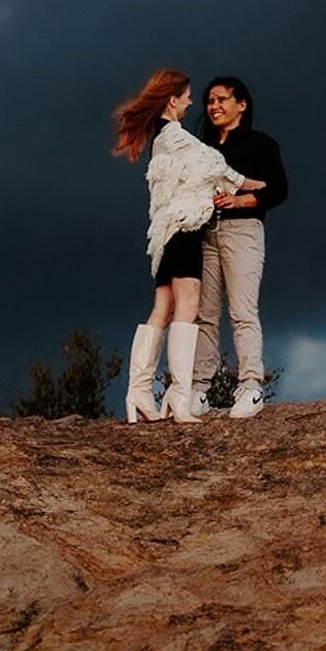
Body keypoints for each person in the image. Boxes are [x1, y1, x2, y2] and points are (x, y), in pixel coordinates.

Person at [111, 68, 264, 424]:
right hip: (185, 232)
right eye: (188, 96)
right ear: (172, 99)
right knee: (189, 305)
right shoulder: (177, 137)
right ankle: (179, 397)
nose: (193, 102)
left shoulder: (161, 137)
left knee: (162, 308)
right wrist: (257, 186)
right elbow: (218, 168)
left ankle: (140, 393)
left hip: (165, 234)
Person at [194, 75, 288, 419]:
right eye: (209, 101)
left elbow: (279, 189)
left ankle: (250, 386)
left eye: (221, 99)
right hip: (205, 233)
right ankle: (198, 389)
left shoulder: (261, 144)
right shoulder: (202, 147)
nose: (214, 106)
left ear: (241, 105)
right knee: (204, 315)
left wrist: (243, 200)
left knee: (242, 311)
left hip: (243, 231)